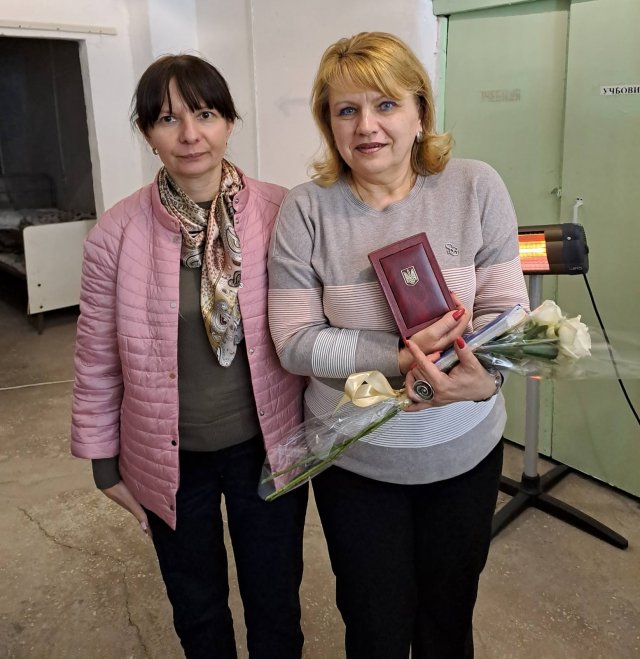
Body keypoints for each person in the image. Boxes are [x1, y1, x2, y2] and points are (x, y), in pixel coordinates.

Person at [267, 32, 529, 658]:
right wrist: (397, 358)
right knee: (374, 624)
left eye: (385, 104)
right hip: (357, 464)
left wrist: (488, 378)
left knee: (448, 619)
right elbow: (294, 343)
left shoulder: (475, 187)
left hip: (464, 455)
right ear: (329, 124)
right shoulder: (307, 210)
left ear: (419, 113)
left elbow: (508, 313)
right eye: (346, 109)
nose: (367, 126)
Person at [70, 54, 308, 659]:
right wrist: (103, 464)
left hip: (267, 447)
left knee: (275, 601)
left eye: (204, 114)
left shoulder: (281, 213)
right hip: (167, 457)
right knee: (197, 608)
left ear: (229, 121)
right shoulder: (115, 235)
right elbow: (97, 358)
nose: (189, 135)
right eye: (167, 119)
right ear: (147, 133)